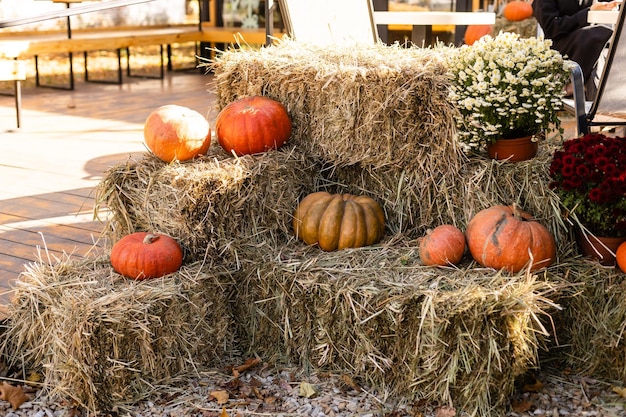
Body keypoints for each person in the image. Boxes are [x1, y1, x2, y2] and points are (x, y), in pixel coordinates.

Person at [533, 0, 621, 98]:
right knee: (599, 35)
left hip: (588, 45)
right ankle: (575, 84)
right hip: (561, 47)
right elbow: (553, 28)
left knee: (608, 40)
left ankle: (606, 98)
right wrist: (588, 12)